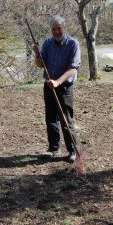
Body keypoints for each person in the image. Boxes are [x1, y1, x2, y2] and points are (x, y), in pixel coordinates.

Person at [33, 15, 81, 163]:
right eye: (53, 29)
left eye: (59, 28)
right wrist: (37, 53)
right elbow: (41, 65)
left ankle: (73, 150)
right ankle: (53, 148)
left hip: (64, 87)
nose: (56, 32)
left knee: (66, 120)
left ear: (64, 28)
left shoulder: (73, 44)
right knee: (51, 119)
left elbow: (73, 68)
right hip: (49, 85)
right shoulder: (48, 42)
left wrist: (58, 82)